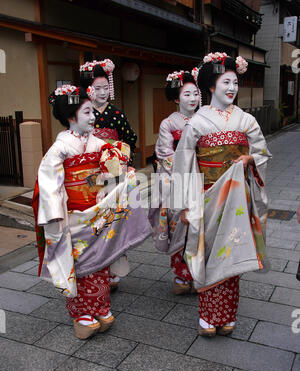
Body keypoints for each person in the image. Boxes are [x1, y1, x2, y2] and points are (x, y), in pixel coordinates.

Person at [32, 84, 152, 339]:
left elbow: (113, 167)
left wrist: (119, 174)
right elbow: (49, 182)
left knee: (100, 261)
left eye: (91, 112)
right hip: (74, 215)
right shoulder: (60, 148)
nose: (93, 117)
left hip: (98, 211)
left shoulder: (98, 143)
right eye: (87, 112)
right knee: (81, 264)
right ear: (71, 117)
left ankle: (101, 307)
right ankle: (81, 316)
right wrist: (54, 215)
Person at [172, 52, 272, 337]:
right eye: (226, 82)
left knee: (233, 251)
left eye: (235, 83)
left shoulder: (245, 120)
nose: (232, 88)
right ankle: (208, 316)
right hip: (207, 196)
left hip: (238, 198)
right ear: (211, 87)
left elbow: (262, 152)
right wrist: (183, 205)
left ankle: (226, 316)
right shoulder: (197, 123)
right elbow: (183, 166)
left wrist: (249, 160)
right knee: (209, 253)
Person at [80, 58, 138, 290]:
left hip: (114, 173)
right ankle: (95, 266)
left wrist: (124, 161)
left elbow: (129, 140)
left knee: (114, 221)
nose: (102, 92)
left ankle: (114, 271)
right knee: (94, 221)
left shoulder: (117, 115)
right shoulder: (82, 114)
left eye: (106, 88)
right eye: (97, 88)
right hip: (91, 173)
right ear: (88, 90)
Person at [149, 69, 201, 295]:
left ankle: (199, 273)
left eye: (196, 94)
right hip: (178, 181)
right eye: (187, 94)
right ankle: (181, 275)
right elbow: (165, 155)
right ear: (176, 98)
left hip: (204, 180)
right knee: (180, 225)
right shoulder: (168, 123)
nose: (193, 99)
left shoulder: (206, 119)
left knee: (201, 229)